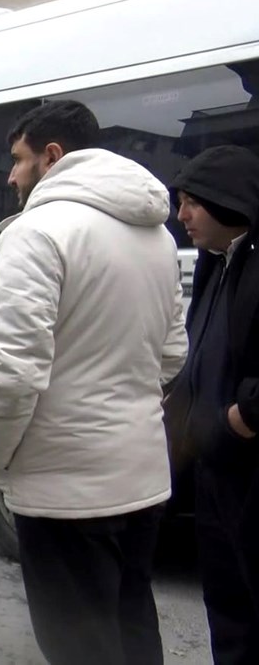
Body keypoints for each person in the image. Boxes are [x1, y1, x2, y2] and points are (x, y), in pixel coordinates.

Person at [0, 100, 187, 665]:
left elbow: (11, 373)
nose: (11, 175)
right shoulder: (158, 235)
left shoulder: (35, 233)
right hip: (142, 476)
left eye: (17, 161)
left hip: (64, 491)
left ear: (51, 155)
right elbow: (173, 353)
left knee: (78, 647)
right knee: (133, 628)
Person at [165, 144, 259, 664]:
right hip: (215, 469)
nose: (181, 216)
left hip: (248, 468)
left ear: (228, 199)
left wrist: (241, 418)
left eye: (190, 202)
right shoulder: (215, 262)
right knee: (225, 604)